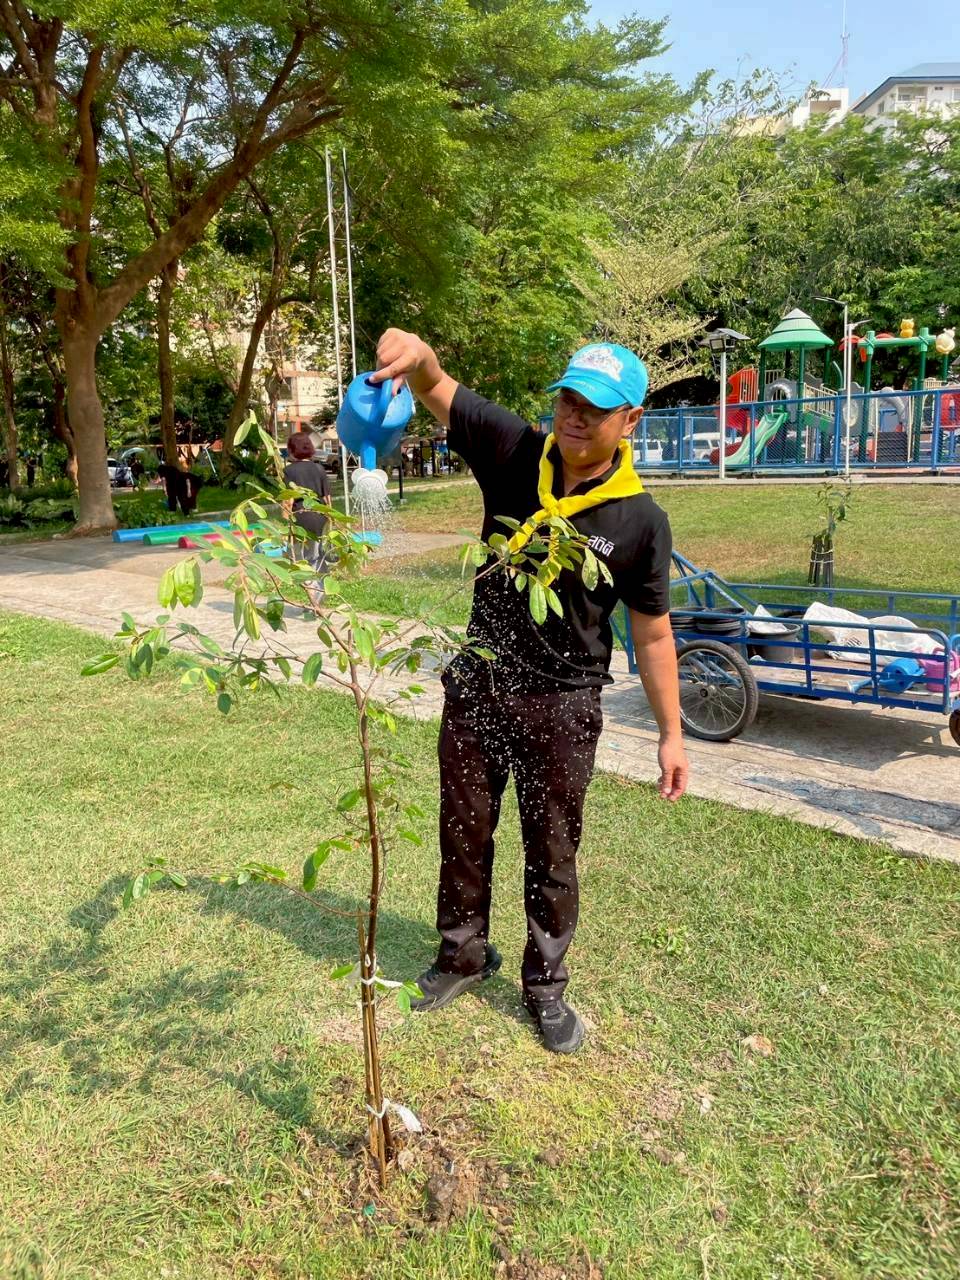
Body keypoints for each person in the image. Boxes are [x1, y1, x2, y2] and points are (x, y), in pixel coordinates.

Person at [371, 329, 689, 1054]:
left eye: (595, 409)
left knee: (552, 852)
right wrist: (415, 356)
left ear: (630, 420)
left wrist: (672, 733)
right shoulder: (515, 451)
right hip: (479, 683)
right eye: (567, 401)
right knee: (464, 831)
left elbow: (654, 636)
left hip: (564, 706)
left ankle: (544, 987)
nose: (574, 418)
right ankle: (461, 956)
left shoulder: (640, 521)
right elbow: (437, 387)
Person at [283, 431, 331, 592]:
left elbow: (288, 501)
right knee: (317, 555)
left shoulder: (289, 471)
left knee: (302, 559)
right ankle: (321, 590)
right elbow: (327, 500)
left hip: (301, 518)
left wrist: (286, 522)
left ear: (292, 449)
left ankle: (314, 597)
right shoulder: (319, 469)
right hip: (320, 517)